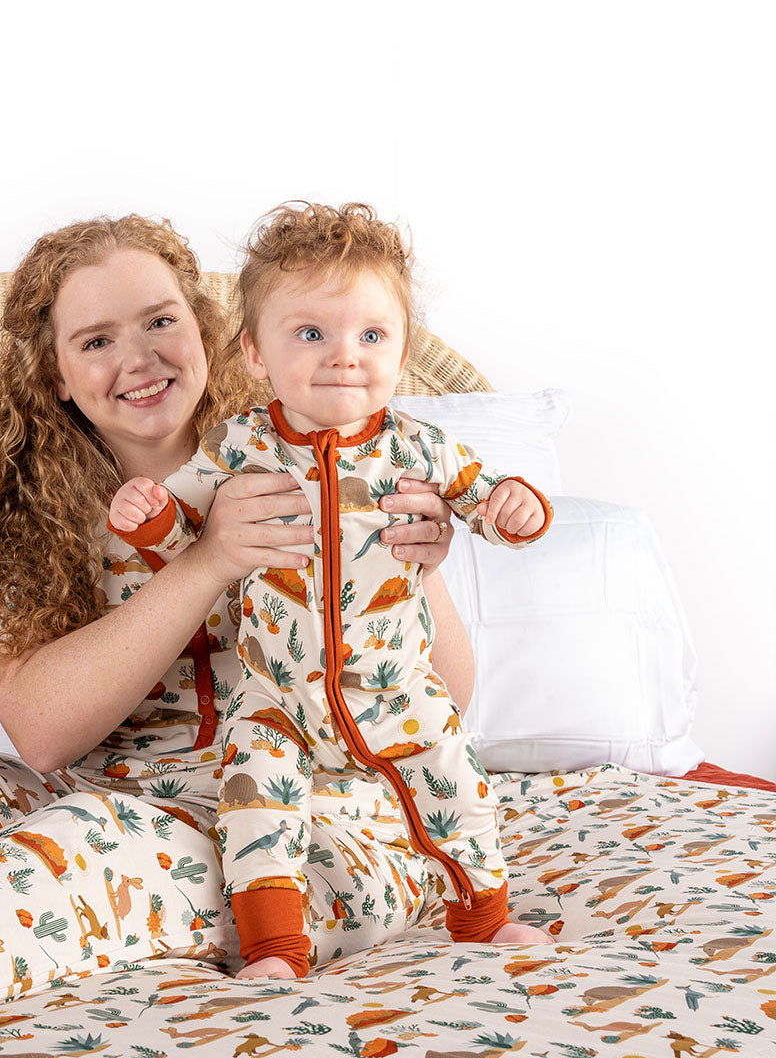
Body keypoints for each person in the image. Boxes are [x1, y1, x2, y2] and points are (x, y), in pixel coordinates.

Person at [0, 215, 472, 1050]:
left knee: (75, 846)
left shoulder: (328, 453)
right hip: (110, 790)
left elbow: (447, 700)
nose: (138, 358)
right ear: (58, 375)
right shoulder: (31, 509)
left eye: (161, 321)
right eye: (97, 339)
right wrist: (207, 561)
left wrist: (417, 565)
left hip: (313, 833)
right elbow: (41, 731)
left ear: (215, 335)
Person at [108, 202, 555, 979]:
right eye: (311, 333)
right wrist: (152, 517)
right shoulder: (239, 444)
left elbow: (487, 500)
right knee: (256, 805)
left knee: (456, 788)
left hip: (396, 686)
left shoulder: (420, 447)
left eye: (372, 336)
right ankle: (276, 950)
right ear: (254, 350)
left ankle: (484, 919)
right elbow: (187, 533)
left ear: (403, 350)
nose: (345, 356)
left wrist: (516, 507)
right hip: (276, 694)